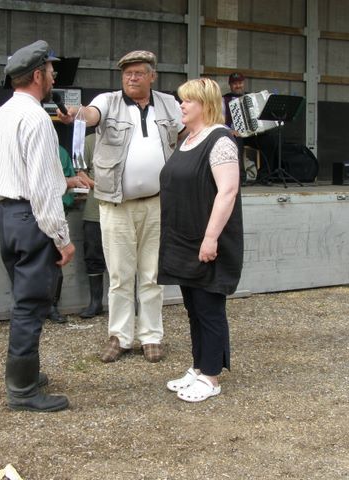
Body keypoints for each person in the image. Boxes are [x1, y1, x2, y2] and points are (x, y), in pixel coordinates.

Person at [58, 50, 184, 363]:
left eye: (139, 72)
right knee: (119, 276)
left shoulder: (169, 103)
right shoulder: (108, 101)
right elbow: (91, 114)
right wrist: (77, 114)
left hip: (157, 203)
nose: (132, 78)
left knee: (152, 275)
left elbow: (189, 132)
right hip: (116, 205)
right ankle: (120, 336)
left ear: (152, 76)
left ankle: (151, 336)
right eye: (127, 73)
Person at [0, 40, 75, 412]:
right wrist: (62, 238)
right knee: (31, 305)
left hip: (8, 218)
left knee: (24, 302)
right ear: (38, 75)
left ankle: (25, 376)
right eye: (51, 70)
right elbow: (43, 188)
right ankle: (22, 390)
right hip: (31, 218)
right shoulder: (37, 118)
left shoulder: (7, 111)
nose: (54, 76)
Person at [158, 78, 243, 403]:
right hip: (184, 239)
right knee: (194, 307)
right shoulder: (188, 139)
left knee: (209, 308)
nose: (181, 105)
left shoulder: (220, 141)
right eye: (181, 100)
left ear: (205, 104)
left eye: (188, 100)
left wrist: (210, 238)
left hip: (208, 240)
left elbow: (228, 191)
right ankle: (198, 366)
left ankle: (211, 376)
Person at [46, 145, 90, 324]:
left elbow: (69, 184)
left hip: (55, 213)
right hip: (27, 214)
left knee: (56, 260)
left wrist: (64, 203)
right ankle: (31, 307)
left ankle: (52, 306)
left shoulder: (60, 152)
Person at [222, 71, 278, 182]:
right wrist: (229, 130)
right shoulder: (224, 100)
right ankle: (240, 177)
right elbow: (219, 120)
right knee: (237, 140)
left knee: (269, 141)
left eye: (240, 83)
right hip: (235, 134)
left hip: (252, 135)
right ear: (230, 85)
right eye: (235, 83)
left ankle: (264, 175)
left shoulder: (252, 97)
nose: (238, 86)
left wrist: (262, 126)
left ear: (244, 83)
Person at [78, 132, 106, 319]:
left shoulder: (128, 135)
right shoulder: (89, 140)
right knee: (93, 255)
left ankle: (132, 302)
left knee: (127, 256)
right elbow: (80, 172)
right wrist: (96, 184)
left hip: (123, 208)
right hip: (94, 210)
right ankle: (95, 303)